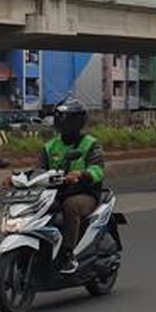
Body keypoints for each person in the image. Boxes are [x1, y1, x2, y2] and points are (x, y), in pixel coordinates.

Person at [34, 98, 103, 274]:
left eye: (68, 119)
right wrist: (18, 178)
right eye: (61, 118)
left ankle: (68, 254)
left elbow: (98, 170)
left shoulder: (90, 144)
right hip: (56, 193)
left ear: (78, 121)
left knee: (70, 206)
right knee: (36, 208)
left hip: (85, 193)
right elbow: (39, 170)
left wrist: (82, 175)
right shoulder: (50, 146)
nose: (64, 123)